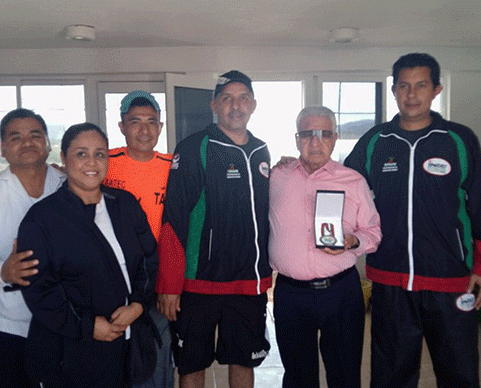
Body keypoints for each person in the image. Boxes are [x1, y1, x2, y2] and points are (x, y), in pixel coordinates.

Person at [344, 53, 481, 387]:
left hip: (451, 281)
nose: (411, 94)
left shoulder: (459, 140)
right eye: (403, 86)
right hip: (390, 282)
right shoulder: (376, 141)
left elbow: (479, 205)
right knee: (391, 376)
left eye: (421, 85)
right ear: (393, 90)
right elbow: (343, 186)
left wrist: (479, 266)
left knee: (459, 374)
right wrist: (299, 165)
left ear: (436, 89)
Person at [17, 123, 158, 387]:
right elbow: (40, 290)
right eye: (81, 154)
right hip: (72, 351)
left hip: (128, 342)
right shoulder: (42, 219)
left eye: (100, 154)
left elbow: (149, 261)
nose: (92, 162)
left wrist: (138, 305)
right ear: (63, 158)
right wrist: (88, 325)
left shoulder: (124, 204)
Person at [156, 70, 271, 388]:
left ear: (253, 105)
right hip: (199, 283)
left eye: (243, 98)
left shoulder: (262, 151)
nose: (236, 106)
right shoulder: (194, 147)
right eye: (227, 99)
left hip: (249, 282)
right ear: (214, 105)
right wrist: (169, 283)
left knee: (244, 361)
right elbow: (173, 218)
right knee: (192, 365)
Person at [269, 106, 382, 388]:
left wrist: (353, 241)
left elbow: (374, 233)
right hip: (290, 295)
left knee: (344, 375)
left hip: (341, 294)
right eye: (308, 134)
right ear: (297, 139)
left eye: (324, 134)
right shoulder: (275, 178)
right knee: (297, 377)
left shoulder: (353, 181)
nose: (315, 142)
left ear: (335, 138)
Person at [0, 108, 65, 387]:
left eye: (35, 135)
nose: (27, 142)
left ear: (47, 143)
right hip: (12, 322)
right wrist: (4, 271)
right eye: (16, 137)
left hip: (67, 318)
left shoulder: (68, 186)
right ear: (2, 148)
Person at [103, 90, 174, 388]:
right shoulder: (104, 162)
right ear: (121, 125)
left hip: (157, 276)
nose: (144, 130)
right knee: (113, 353)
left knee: (156, 351)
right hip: (113, 275)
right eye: (135, 122)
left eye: (152, 122)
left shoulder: (174, 166)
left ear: (160, 127)